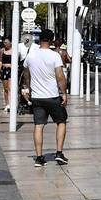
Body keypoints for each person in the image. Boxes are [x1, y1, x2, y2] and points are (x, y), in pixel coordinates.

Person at [22, 29, 68, 168]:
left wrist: (28, 88)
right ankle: (59, 153)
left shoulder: (31, 56)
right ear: (52, 40)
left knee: (38, 125)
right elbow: (60, 77)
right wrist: (64, 93)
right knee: (61, 122)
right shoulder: (54, 56)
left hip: (37, 97)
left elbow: (26, 74)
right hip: (52, 96)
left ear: (39, 39)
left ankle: (39, 157)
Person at [0, 38, 13, 112]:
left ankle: (12, 103)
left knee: (11, 88)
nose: (5, 44)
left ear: (10, 42)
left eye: (7, 42)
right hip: (4, 70)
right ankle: (7, 104)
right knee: (6, 89)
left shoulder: (14, 51)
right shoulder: (2, 50)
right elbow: (0, 61)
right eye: (4, 43)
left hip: (11, 70)